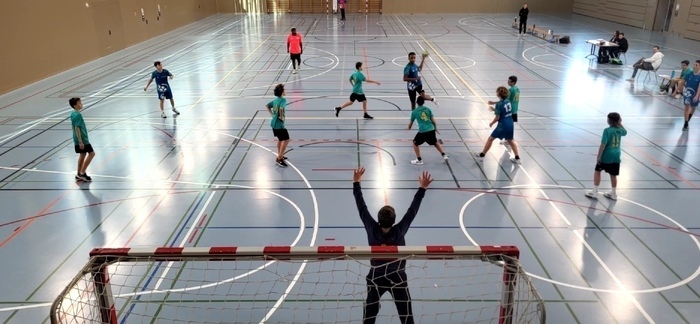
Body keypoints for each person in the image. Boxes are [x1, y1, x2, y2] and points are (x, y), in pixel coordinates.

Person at [352, 166, 434, 324]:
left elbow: (361, 206)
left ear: (378, 219)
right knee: (407, 317)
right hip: (397, 278)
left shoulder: (371, 229)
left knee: (369, 316)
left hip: (376, 277)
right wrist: (422, 188)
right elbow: (412, 211)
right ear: (394, 220)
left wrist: (356, 183)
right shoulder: (399, 231)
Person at [585, 112, 627, 201]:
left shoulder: (607, 130)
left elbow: (603, 144)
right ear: (618, 120)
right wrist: (620, 123)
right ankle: (613, 193)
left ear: (609, 121)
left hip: (607, 155)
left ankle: (595, 192)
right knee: (613, 175)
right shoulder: (620, 130)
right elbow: (625, 132)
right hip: (616, 156)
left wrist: (599, 155)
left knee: (597, 171)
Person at [475, 86, 521, 164]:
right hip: (510, 123)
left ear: (498, 94)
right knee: (510, 140)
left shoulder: (499, 104)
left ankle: (482, 156)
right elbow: (503, 110)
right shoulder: (508, 101)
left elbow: (497, 117)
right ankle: (517, 158)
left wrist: (491, 123)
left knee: (490, 139)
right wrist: (494, 109)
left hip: (503, 125)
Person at [407, 96, 448, 164]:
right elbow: (433, 121)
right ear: (424, 102)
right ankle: (444, 155)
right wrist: (436, 128)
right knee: (435, 142)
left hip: (423, 131)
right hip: (431, 129)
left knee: (415, 144)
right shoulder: (428, 109)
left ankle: (419, 160)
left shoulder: (414, 112)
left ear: (417, 102)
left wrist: (408, 128)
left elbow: (410, 124)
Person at [70, 98, 95, 181]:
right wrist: (81, 141)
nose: (81, 104)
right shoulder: (77, 115)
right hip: (82, 139)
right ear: (75, 105)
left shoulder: (73, 113)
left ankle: (78, 174)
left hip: (77, 138)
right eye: (79, 103)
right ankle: (82, 173)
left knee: (82, 154)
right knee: (92, 153)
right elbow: (77, 128)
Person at [265, 84, 290, 167]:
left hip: (273, 123)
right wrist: (282, 119)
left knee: (280, 139)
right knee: (286, 140)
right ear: (282, 92)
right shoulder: (283, 100)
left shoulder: (275, 100)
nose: (285, 91)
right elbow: (281, 110)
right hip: (279, 124)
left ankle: (280, 154)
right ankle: (279, 158)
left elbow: (267, 106)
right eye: (284, 90)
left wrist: (272, 115)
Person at [682, 60, 700, 131]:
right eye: (694, 65)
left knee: (693, 107)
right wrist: (677, 90)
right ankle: (686, 123)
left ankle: (688, 118)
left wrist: (696, 96)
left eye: (696, 65)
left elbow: (699, 87)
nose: (694, 66)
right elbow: (682, 81)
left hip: (696, 93)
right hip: (688, 93)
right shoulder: (689, 73)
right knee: (687, 107)